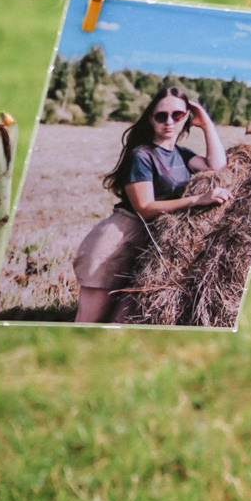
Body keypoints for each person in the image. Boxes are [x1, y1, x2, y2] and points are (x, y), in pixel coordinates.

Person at [72, 86, 231, 324]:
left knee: (119, 323)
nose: (169, 121)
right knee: (89, 323)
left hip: (150, 246)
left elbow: (217, 166)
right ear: (151, 118)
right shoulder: (141, 155)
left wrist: (207, 124)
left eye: (177, 115)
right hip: (118, 242)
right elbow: (144, 207)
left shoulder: (182, 154)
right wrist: (198, 200)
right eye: (161, 115)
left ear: (186, 117)